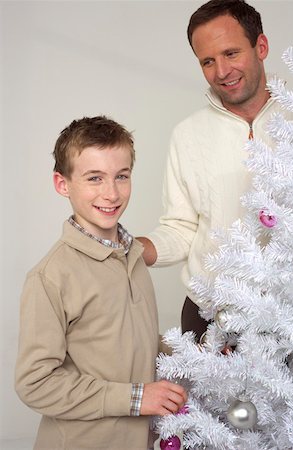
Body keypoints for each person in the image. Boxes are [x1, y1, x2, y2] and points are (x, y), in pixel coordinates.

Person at [15, 116, 187, 450]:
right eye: (95, 178)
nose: (111, 193)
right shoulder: (50, 277)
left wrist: (194, 357)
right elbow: (35, 383)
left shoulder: (132, 256)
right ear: (62, 184)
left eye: (121, 176)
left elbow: (129, 342)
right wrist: (135, 398)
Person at [138, 0, 293, 341]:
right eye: (207, 61)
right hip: (210, 316)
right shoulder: (187, 135)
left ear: (261, 47)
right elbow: (182, 228)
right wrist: (134, 249)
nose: (221, 71)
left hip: (290, 315)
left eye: (231, 53)